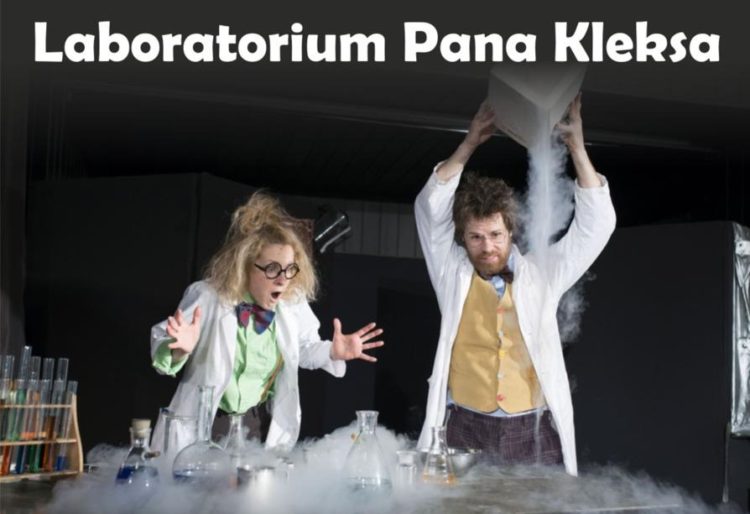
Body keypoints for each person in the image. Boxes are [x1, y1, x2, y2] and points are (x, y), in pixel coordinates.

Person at [415, 95, 616, 475]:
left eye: (495, 234)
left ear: (511, 232)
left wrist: (576, 146)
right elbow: (430, 208)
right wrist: (469, 142)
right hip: (464, 425)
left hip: (532, 429)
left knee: (541, 504)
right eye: (476, 237)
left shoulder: (541, 273)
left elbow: (596, 225)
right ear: (463, 238)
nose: (487, 247)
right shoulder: (450, 271)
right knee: (454, 504)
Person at [150, 192, 384, 452]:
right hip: (207, 422)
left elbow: (304, 349)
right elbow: (163, 344)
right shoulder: (209, 296)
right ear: (245, 266)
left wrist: (332, 351)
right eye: (272, 269)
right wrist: (178, 349)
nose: (283, 279)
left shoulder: (292, 303)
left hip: (256, 425)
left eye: (289, 269)